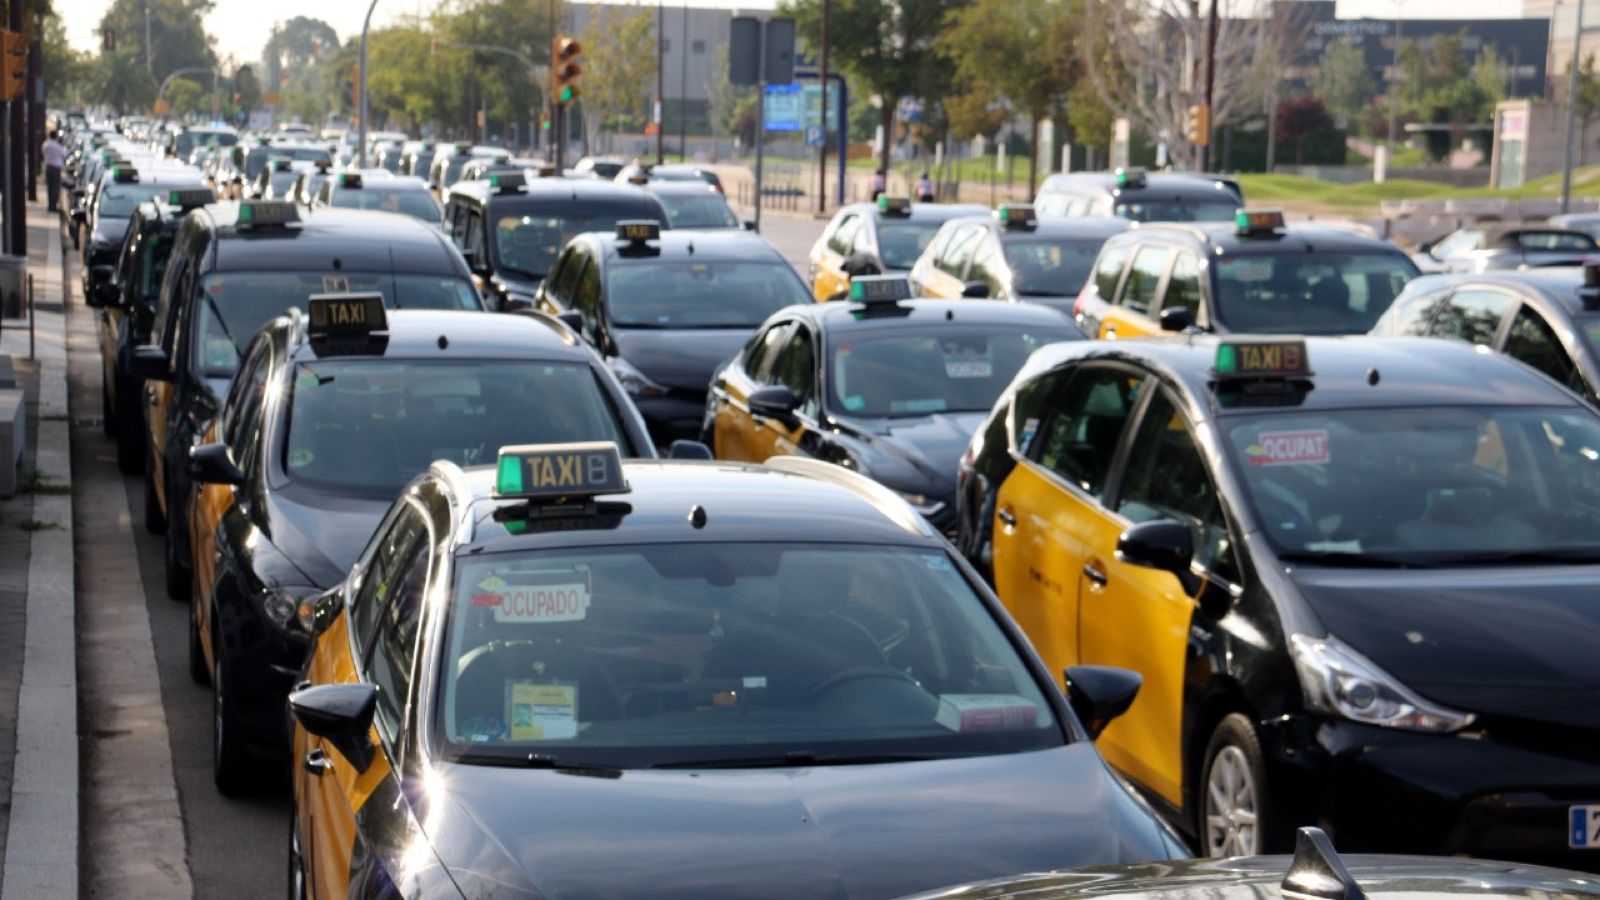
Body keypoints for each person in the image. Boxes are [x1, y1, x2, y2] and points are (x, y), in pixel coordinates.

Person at [42, 131, 66, 213]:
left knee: (49, 187)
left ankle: (50, 205)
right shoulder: (58, 146)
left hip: (48, 167)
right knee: (55, 188)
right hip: (56, 168)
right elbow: (63, 155)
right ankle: (53, 205)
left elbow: (43, 153)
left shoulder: (46, 145)